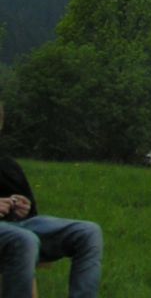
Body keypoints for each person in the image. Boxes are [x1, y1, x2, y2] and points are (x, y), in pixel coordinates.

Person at [0, 104, 103, 298]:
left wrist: (23, 208)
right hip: (15, 237)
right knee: (24, 239)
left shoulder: (6, 165)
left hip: (15, 228)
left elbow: (29, 213)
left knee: (88, 232)